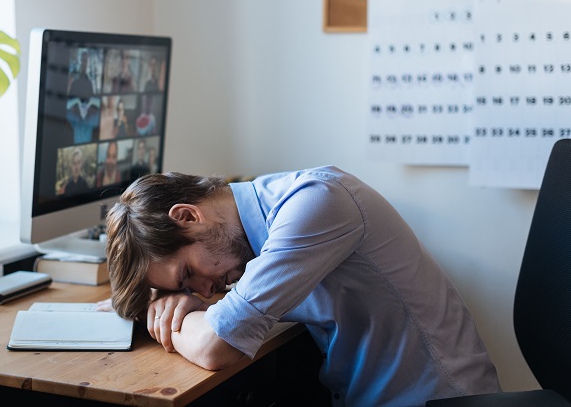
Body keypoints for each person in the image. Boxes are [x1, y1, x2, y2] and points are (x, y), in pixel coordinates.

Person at [98, 166, 502, 406]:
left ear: (187, 216)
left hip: (436, 401)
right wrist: (171, 296)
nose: (203, 292)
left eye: (187, 276)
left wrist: (168, 320)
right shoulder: (251, 230)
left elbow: (216, 346)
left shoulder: (317, 204)